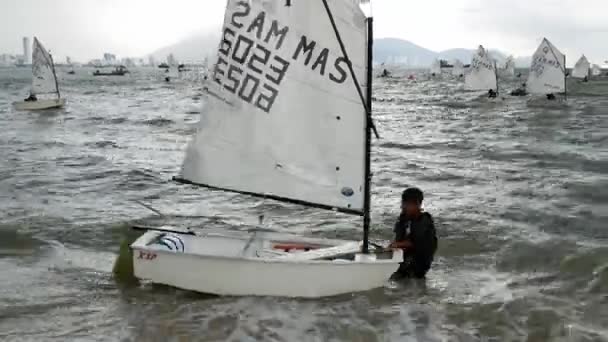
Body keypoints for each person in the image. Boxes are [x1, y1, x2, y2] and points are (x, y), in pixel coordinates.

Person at [389, 188, 438, 280]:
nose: (402, 206)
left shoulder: (424, 220)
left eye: (406, 204)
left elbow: (417, 241)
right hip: (405, 260)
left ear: (417, 204)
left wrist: (398, 244)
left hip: (419, 263)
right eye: (403, 203)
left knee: (410, 282)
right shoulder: (403, 219)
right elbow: (398, 237)